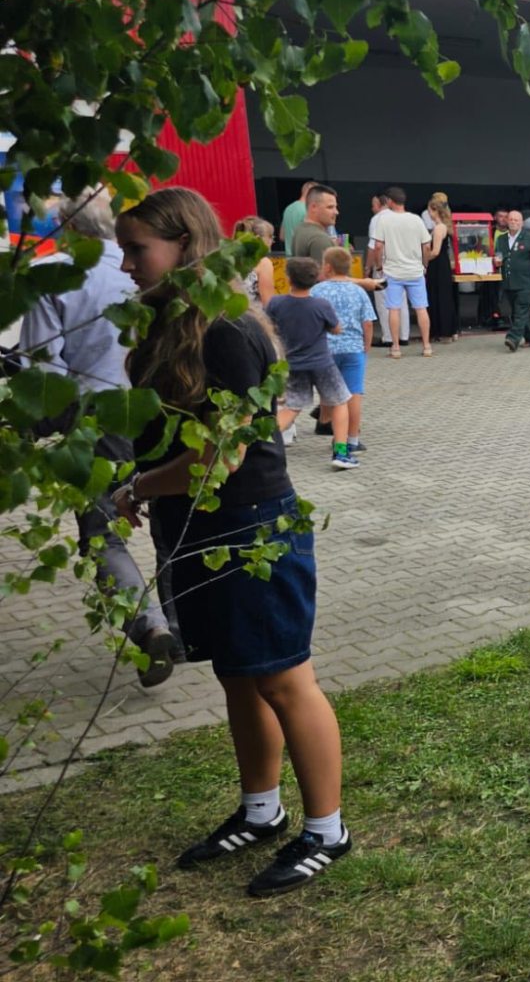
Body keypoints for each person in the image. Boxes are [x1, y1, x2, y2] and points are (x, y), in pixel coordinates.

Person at [111, 187, 351, 896]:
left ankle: (327, 830)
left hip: (251, 529)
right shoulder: (167, 326)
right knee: (238, 674)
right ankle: (260, 810)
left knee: (283, 678)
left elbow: (225, 455)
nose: (126, 265)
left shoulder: (226, 331)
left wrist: (139, 487)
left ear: (185, 244)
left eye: (137, 249)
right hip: (197, 527)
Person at [19, 185, 179, 688]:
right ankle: (184, 626)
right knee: (170, 520)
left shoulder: (52, 276)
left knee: (102, 531)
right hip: (165, 408)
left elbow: (44, 372)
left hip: (98, 418)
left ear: (67, 227)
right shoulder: (151, 267)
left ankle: (149, 627)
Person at [267, 258, 358, 470]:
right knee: (339, 402)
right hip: (322, 363)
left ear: (288, 278)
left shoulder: (276, 303)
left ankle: (261, 443)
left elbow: (269, 326)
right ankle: (341, 453)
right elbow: (336, 328)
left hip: (292, 364)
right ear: (316, 278)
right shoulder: (320, 305)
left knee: (292, 407)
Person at [311, 247, 375, 456]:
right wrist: (366, 346)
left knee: (332, 395)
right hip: (353, 349)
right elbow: (367, 323)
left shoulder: (317, 291)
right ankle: (352, 440)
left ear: (328, 267)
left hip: (325, 350)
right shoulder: (358, 291)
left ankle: (335, 434)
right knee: (354, 394)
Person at [368, 186, 432, 357]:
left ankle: (395, 347)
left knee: (394, 309)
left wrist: (379, 266)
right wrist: (424, 265)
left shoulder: (383, 220)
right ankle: (427, 346)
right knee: (421, 308)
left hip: (393, 272)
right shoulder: (416, 220)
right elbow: (426, 246)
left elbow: (378, 246)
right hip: (415, 271)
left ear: (389, 201)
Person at [494, 208, 530, 353]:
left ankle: (513, 338)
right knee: (517, 313)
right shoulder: (501, 239)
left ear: (522, 223)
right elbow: (498, 255)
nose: (513, 222)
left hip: (525, 283)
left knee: (520, 312)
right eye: (511, 219)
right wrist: (497, 261)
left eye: (516, 220)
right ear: (507, 222)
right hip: (508, 282)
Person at [425, 197, 459, 344]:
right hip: (442, 265)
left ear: (435, 211)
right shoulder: (443, 226)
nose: (428, 213)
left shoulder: (439, 228)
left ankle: (444, 331)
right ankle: (450, 330)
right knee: (444, 296)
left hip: (438, 265)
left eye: (429, 210)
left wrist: (424, 261)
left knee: (439, 297)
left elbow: (435, 251)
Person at [233, 217, 276, 310]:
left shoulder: (231, 259)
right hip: (253, 316)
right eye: (270, 237)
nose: (272, 242)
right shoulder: (263, 262)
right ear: (258, 239)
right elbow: (268, 302)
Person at [277, 180, 314, 254]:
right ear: (310, 191)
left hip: (289, 257)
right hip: (303, 257)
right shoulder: (308, 210)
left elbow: (282, 236)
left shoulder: (288, 208)